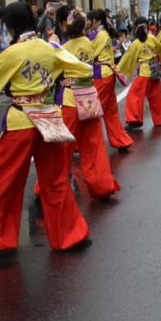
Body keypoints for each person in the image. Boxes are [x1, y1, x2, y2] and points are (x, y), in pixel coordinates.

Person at [0, 1, 93, 253]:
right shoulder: (49, 47)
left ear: (9, 27)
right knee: (55, 180)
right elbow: (84, 68)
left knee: (6, 181)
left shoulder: (12, 53)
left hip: (21, 120)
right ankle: (71, 235)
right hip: (48, 116)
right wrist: (57, 77)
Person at [59, 11, 121, 200]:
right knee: (94, 145)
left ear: (65, 26)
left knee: (62, 147)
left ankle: (47, 188)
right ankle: (102, 185)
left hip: (71, 99)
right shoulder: (89, 43)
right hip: (89, 96)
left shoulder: (62, 49)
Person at [82, 9, 134, 152]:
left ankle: (91, 145)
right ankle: (120, 140)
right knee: (111, 111)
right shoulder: (104, 33)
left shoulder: (97, 34)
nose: (87, 22)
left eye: (89, 19)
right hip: (107, 73)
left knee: (95, 112)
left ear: (95, 20)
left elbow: (86, 50)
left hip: (101, 75)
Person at [119, 21, 161, 130]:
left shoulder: (136, 43)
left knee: (134, 96)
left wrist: (118, 70)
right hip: (155, 70)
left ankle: (135, 120)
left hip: (144, 72)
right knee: (156, 97)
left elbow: (127, 58)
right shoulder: (152, 38)